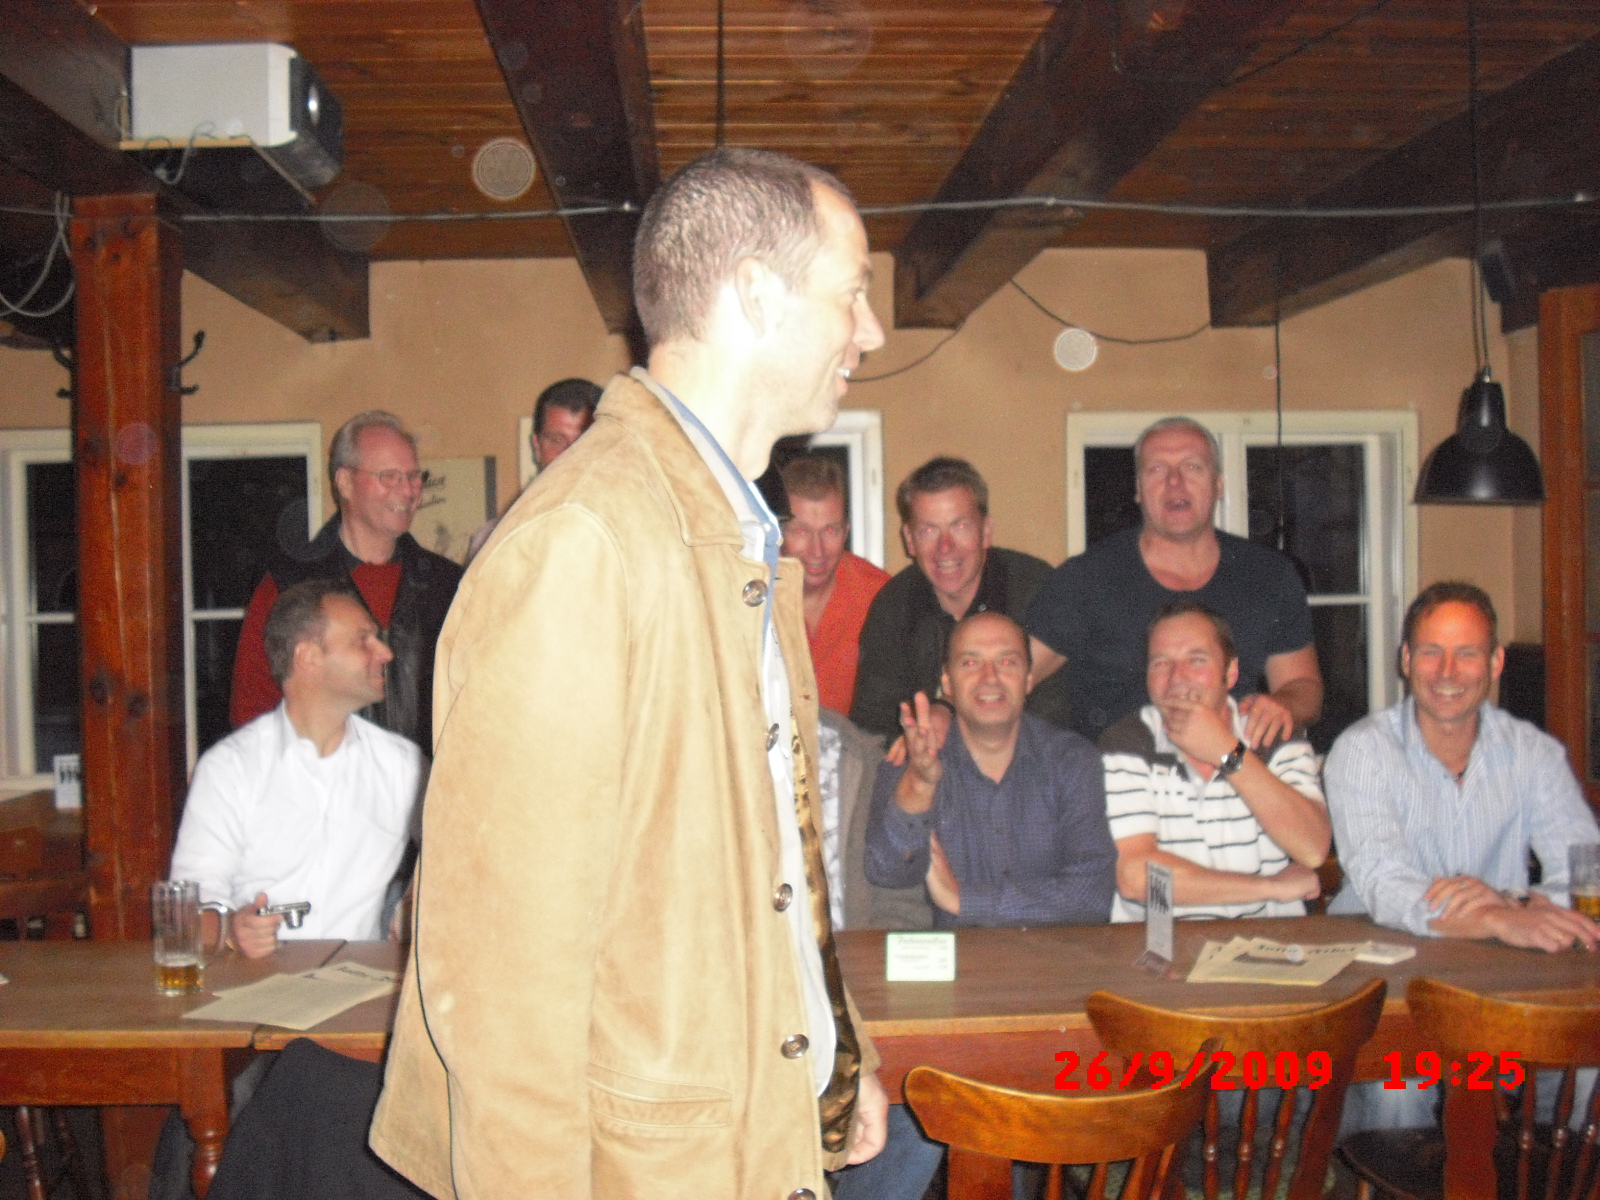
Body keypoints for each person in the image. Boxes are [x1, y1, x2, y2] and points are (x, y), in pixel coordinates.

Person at [370, 147, 890, 1199]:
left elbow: (763, 863)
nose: (871, 331)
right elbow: (502, 976)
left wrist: (836, 1053)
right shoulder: (586, 541)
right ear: (756, 293)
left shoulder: (731, 533)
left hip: (748, 1123)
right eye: (852, 293)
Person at [1326, 581, 1600, 950]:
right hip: (1380, 954)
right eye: (1431, 652)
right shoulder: (1363, 751)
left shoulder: (1535, 753)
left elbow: (1585, 869)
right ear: (1406, 660)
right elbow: (1385, 883)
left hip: (1498, 957)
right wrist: (1493, 917)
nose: (1447, 672)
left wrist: (1514, 903)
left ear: (1495, 663)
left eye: (1466, 654)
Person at [1027, 415, 1323, 746]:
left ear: (1219, 485)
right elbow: (1013, 675)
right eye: (1157, 469)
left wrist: (1282, 705)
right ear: (1138, 490)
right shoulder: (1085, 579)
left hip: (1231, 768)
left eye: (1192, 467)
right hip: (1114, 772)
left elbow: (1304, 687)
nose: (1175, 481)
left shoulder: (1269, 576)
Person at [173, 578, 423, 957]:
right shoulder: (230, 768)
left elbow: (463, 852)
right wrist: (232, 930)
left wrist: (413, 900)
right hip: (256, 981)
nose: (385, 653)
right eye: (363, 640)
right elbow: (187, 910)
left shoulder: (403, 766)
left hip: (361, 984)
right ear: (308, 658)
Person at [229, 411, 462, 753]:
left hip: (426, 783)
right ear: (345, 482)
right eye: (389, 476)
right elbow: (251, 712)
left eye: (414, 476)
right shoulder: (288, 587)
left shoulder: (449, 585)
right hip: (323, 782)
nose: (408, 490)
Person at [865, 611, 1116, 928]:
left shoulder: (1071, 761)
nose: (990, 677)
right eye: (970, 663)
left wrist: (964, 901)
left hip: (1056, 956)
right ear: (947, 682)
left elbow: (1092, 897)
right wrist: (920, 786)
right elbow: (887, 871)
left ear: (1028, 679)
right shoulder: (915, 757)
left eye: (1007, 662)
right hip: (956, 958)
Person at [1101, 601, 1329, 922]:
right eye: (1161, 663)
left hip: (1268, 941)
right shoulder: (1128, 742)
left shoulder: (1272, 732)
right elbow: (1136, 879)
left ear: (1231, 672)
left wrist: (1227, 752)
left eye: (1196, 660)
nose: (1177, 677)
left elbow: (1313, 848)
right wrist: (1269, 888)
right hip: (1163, 942)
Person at [851, 456, 1070, 738]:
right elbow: (874, 724)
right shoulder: (894, 607)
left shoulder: (1035, 590)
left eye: (960, 527)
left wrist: (948, 713)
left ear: (986, 532)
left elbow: (1055, 718)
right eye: (928, 530)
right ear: (909, 540)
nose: (945, 547)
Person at [781, 454, 889, 714]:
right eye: (801, 531)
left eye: (830, 531)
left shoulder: (880, 597)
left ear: (846, 531)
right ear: (779, 532)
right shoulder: (748, 596)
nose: (817, 550)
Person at [466, 377, 601, 560]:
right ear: (537, 446)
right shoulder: (496, 540)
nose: (570, 454)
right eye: (557, 440)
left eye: (583, 441)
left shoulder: (631, 528)